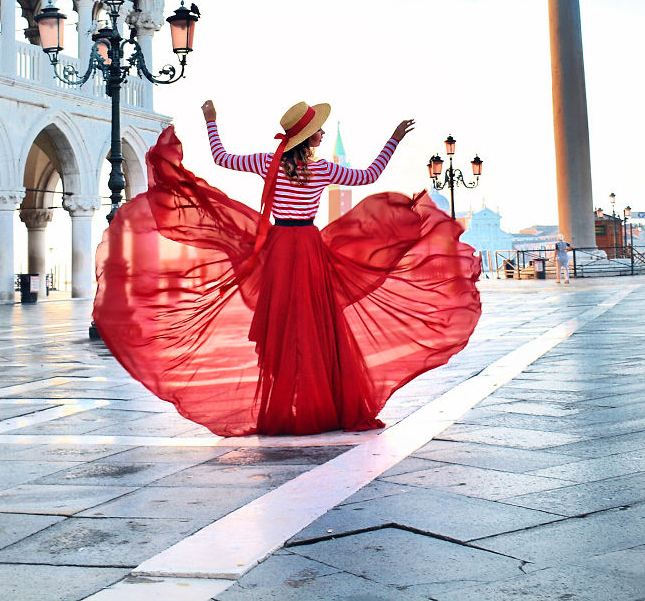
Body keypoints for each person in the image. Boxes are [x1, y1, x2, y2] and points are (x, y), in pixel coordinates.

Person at [93, 100, 481, 437]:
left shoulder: (269, 163)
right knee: (316, 325)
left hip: (280, 247)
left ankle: (286, 404)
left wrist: (211, 120)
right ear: (307, 137)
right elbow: (369, 175)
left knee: (281, 325)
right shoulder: (325, 170)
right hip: (309, 248)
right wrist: (393, 139)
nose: (323, 133)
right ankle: (324, 403)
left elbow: (221, 158)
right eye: (317, 129)